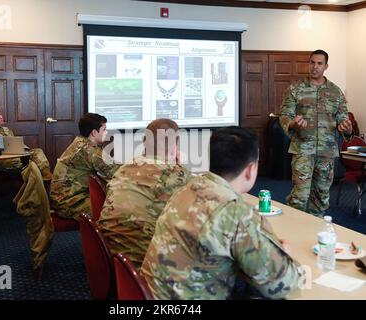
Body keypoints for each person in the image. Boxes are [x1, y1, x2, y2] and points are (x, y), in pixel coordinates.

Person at [141, 126, 304, 300]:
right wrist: (284, 254)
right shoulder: (234, 213)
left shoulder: (186, 188)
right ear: (250, 169)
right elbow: (283, 284)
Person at [97, 119, 190, 269]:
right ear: (174, 146)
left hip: (107, 254)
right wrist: (179, 166)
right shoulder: (175, 174)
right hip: (142, 262)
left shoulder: (125, 167)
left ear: (144, 141)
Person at [279, 49, 353, 217]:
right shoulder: (295, 89)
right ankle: (292, 230)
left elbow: (343, 119)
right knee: (300, 196)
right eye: (312, 62)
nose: (315, 67)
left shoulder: (336, 92)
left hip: (326, 153)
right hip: (302, 149)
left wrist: (347, 128)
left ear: (326, 66)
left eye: (319, 63)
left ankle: (315, 233)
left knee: (321, 197)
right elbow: (285, 116)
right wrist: (293, 123)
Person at [50, 113, 117, 221]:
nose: (106, 132)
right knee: (115, 210)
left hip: (63, 198)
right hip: (70, 203)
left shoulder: (81, 143)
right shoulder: (90, 151)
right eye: (104, 129)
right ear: (94, 133)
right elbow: (115, 173)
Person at [0, 108, 52, 179]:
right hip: (1, 161)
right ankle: (40, 178)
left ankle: (46, 175)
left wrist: (25, 150)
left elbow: (14, 144)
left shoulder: (6, 129)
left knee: (37, 151)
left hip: (14, 155)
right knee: (32, 166)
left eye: (0, 114)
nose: (0, 117)